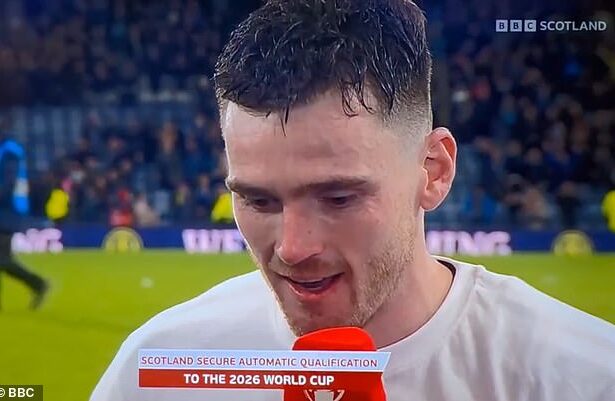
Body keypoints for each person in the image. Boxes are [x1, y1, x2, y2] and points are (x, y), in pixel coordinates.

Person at [91, 1, 615, 400]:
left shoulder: (581, 377)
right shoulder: (158, 369)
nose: (292, 248)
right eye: (259, 201)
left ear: (434, 171)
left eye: (338, 197)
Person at [0, 134, 49, 310]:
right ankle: (38, 284)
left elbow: (8, 184)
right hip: (6, 213)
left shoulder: (9, 153)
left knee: (3, 260)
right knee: (3, 259)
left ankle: (38, 283)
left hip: (6, 214)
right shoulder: (8, 151)